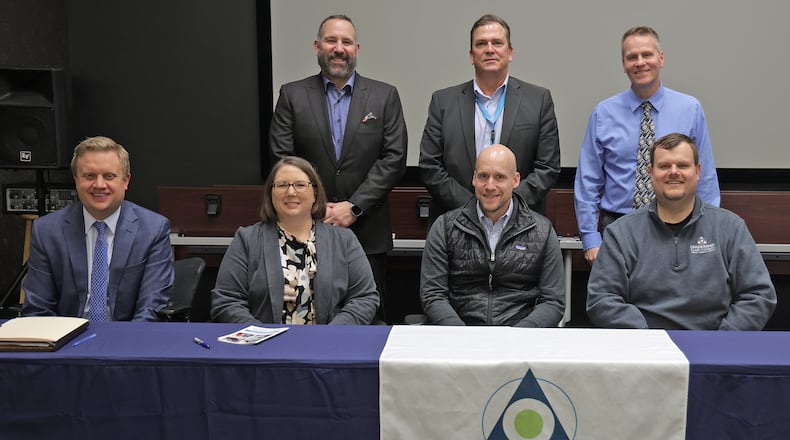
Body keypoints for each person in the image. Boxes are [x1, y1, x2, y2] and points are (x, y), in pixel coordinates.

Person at [269, 14, 406, 322]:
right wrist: (317, 208)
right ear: (318, 46)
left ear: (356, 48)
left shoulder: (385, 96)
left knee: (366, 317)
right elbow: (283, 158)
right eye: (331, 40)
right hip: (304, 228)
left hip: (367, 231)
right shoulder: (292, 95)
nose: (339, 48)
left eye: (346, 42)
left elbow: (394, 158)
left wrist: (353, 207)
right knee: (305, 314)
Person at [586, 133, 776, 330]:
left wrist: (723, 340)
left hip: (715, 348)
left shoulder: (730, 228)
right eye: (664, 166)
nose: (674, 172)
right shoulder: (621, 233)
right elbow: (602, 299)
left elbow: (758, 295)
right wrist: (647, 339)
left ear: (698, 171)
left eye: (683, 165)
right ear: (650, 172)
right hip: (647, 352)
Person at [575, 26, 721, 265]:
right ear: (623, 64)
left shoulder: (690, 109)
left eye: (647, 55)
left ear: (661, 59)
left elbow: (704, 178)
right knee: (617, 299)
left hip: (680, 226)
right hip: (619, 226)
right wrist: (591, 238)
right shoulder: (603, 113)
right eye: (632, 57)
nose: (640, 62)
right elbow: (588, 181)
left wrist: (709, 232)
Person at [419, 14, 560, 218]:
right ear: (471, 55)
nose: (490, 49)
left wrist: (506, 206)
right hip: (457, 220)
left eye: (497, 43)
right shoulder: (443, 101)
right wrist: (472, 208)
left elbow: (547, 167)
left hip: (519, 223)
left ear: (510, 52)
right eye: (481, 43)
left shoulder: (539, 100)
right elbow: (430, 166)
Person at [211, 156, 380, 325]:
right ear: (271, 193)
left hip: (328, 346)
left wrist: (331, 334)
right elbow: (227, 301)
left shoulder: (344, 240)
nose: (291, 192)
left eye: (300, 185)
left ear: (315, 193)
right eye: (282, 185)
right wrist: (260, 335)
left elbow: (364, 298)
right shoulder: (247, 240)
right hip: (265, 346)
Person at [21, 136, 173, 321]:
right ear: (76, 180)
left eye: (109, 176)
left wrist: (127, 345)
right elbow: (38, 308)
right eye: (89, 176)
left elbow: (151, 308)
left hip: (127, 338)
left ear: (126, 181)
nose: (99, 185)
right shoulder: (46, 231)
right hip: (66, 340)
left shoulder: (153, 229)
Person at [420, 145, 565, 326]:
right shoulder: (445, 227)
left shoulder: (542, 230)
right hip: (459, 337)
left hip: (522, 339)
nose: (490, 185)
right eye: (483, 176)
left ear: (515, 180)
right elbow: (433, 294)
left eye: (500, 177)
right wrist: (459, 335)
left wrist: (519, 336)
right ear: (474, 178)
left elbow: (553, 301)